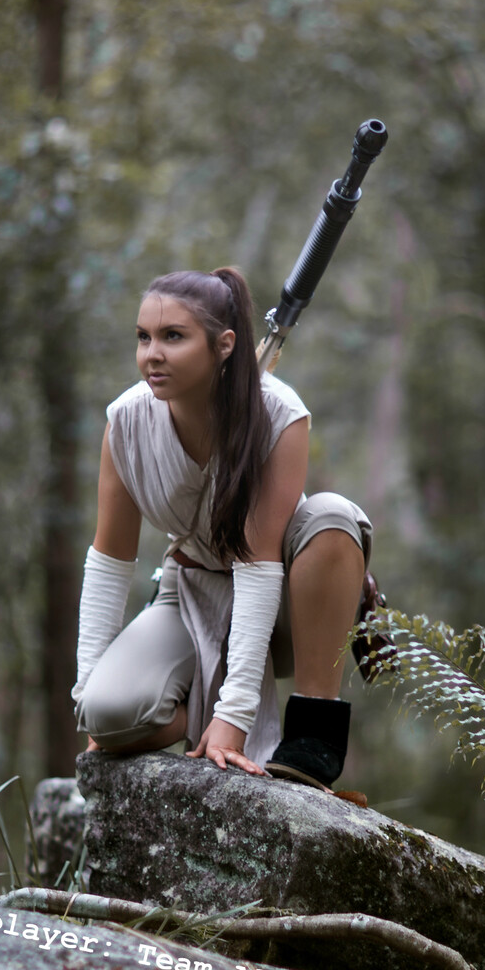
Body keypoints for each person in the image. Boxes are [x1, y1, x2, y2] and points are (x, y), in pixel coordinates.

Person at [72, 266, 373, 787]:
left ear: (224, 344)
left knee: (332, 516)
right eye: (143, 337)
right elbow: (109, 562)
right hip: (190, 590)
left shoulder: (279, 414)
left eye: (173, 336)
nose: (152, 354)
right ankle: (197, 703)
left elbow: (258, 566)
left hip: (286, 604)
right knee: (106, 713)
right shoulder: (126, 421)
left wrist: (234, 717)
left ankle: (313, 732)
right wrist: (86, 695)